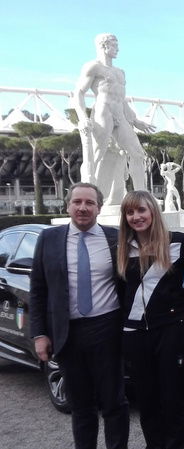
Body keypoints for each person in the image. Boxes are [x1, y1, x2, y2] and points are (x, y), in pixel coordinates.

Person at [29, 182, 129, 449]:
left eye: (89, 203)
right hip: (68, 335)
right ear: (68, 205)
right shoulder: (49, 239)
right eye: (77, 202)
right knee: (81, 406)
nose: (83, 208)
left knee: (114, 404)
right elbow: (38, 289)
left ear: (99, 207)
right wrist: (39, 334)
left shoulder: (116, 237)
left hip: (108, 330)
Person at [117, 190, 184, 449]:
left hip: (171, 332)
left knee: (173, 398)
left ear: (152, 211)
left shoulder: (178, 242)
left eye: (141, 210)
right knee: (147, 400)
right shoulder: (121, 248)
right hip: (134, 335)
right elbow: (121, 295)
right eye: (130, 212)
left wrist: (176, 300)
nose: (136, 216)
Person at [73, 33, 154, 206]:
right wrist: (83, 117)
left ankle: (143, 198)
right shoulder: (93, 67)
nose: (118, 49)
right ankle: (87, 196)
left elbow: (121, 98)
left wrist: (135, 120)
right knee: (96, 155)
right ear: (104, 46)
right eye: (115, 45)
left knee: (137, 153)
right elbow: (78, 93)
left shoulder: (120, 72)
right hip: (103, 112)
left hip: (120, 115)